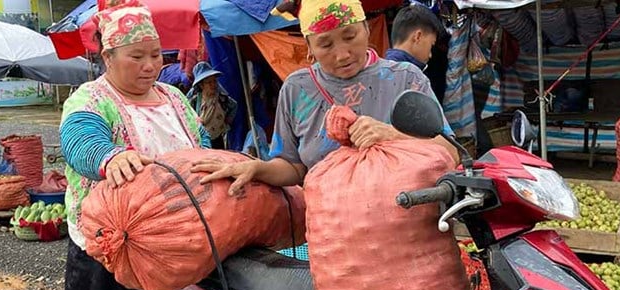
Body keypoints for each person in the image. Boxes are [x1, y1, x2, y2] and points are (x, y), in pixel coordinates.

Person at [58, 1, 210, 290]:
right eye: (136, 56)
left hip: (173, 247)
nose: (150, 66)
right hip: (108, 250)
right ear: (108, 56)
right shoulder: (91, 98)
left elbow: (202, 144)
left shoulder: (175, 98)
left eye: (156, 55)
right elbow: (78, 139)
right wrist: (109, 156)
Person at [190, 0, 458, 194]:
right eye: (326, 45)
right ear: (308, 47)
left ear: (366, 28)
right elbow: (293, 167)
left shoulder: (405, 78)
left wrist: (393, 135)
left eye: (350, 36)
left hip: (407, 223)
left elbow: (450, 151)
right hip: (334, 232)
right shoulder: (297, 89)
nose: (342, 54)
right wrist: (258, 169)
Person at [187, 61, 238, 150]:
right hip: (203, 139)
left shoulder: (221, 98)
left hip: (218, 136)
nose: (213, 85)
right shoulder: (195, 100)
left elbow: (234, 106)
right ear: (201, 85)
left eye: (214, 81)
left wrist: (227, 122)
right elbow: (187, 115)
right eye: (209, 82)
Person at [385, 4, 444, 71]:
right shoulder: (413, 76)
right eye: (431, 45)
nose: (430, 55)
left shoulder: (376, 72)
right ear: (418, 37)